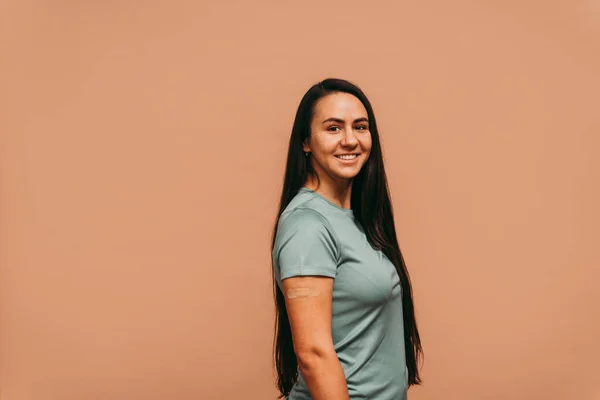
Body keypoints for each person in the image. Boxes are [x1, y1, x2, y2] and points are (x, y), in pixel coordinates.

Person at [270, 78, 423, 400]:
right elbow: (312, 354)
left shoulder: (356, 219)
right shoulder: (308, 226)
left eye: (361, 127)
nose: (350, 140)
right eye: (333, 128)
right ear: (306, 142)